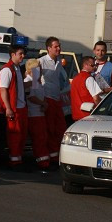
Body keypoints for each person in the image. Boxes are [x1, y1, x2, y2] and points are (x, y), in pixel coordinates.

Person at [0, 44, 29, 171]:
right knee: (15, 136)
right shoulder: (7, 70)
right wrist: (8, 108)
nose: (23, 56)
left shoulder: (16, 69)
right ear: (13, 54)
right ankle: (14, 162)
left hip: (21, 108)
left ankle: (18, 160)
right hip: (14, 109)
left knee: (21, 136)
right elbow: (3, 90)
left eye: (23, 54)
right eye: (20, 54)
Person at [38, 36, 67, 167]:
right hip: (47, 99)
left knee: (60, 129)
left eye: (59, 46)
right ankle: (50, 158)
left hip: (57, 99)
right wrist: (41, 99)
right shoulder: (41, 61)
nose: (59, 48)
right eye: (56, 46)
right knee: (49, 129)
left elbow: (61, 80)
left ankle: (56, 156)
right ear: (48, 48)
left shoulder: (59, 62)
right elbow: (34, 83)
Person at [24, 58, 51, 173]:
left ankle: (43, 161)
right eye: (37, 69)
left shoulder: (36, 81)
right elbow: (31, 97)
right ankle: (42, 163)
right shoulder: (29, 81)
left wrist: (44, 104)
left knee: (42, 138)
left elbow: (40, 95)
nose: (39, 71)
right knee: (39, 139)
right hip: (33, 114)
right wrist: (43, 103)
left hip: (39, 113)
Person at [71, 56, 103, 121]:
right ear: (85, 65)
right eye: (92, 65)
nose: (95, 67)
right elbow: (96, 98)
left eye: (95, 65)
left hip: (76, 115)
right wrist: (102, 108)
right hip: (88, 116)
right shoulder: (89, 78)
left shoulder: (75, 78)